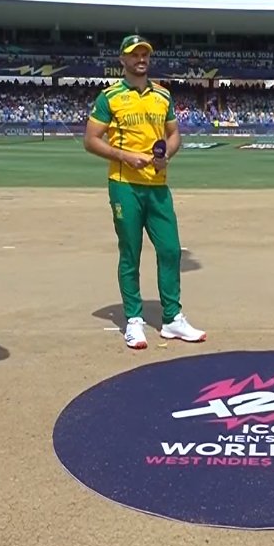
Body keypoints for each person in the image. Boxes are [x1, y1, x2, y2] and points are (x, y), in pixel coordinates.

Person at [83, 35, 205, 350]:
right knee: (130, 252)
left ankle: (172, 318)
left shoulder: (162, 95)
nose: (140, 59)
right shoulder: (110, 97)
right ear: (122, 60)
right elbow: (91, 140)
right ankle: (134, 320)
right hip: (124, 184)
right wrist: (125, 156)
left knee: (171, 250)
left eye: (144, 55)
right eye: (134, 55)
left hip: (157, 184)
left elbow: (174, 135)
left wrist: (168, 155)